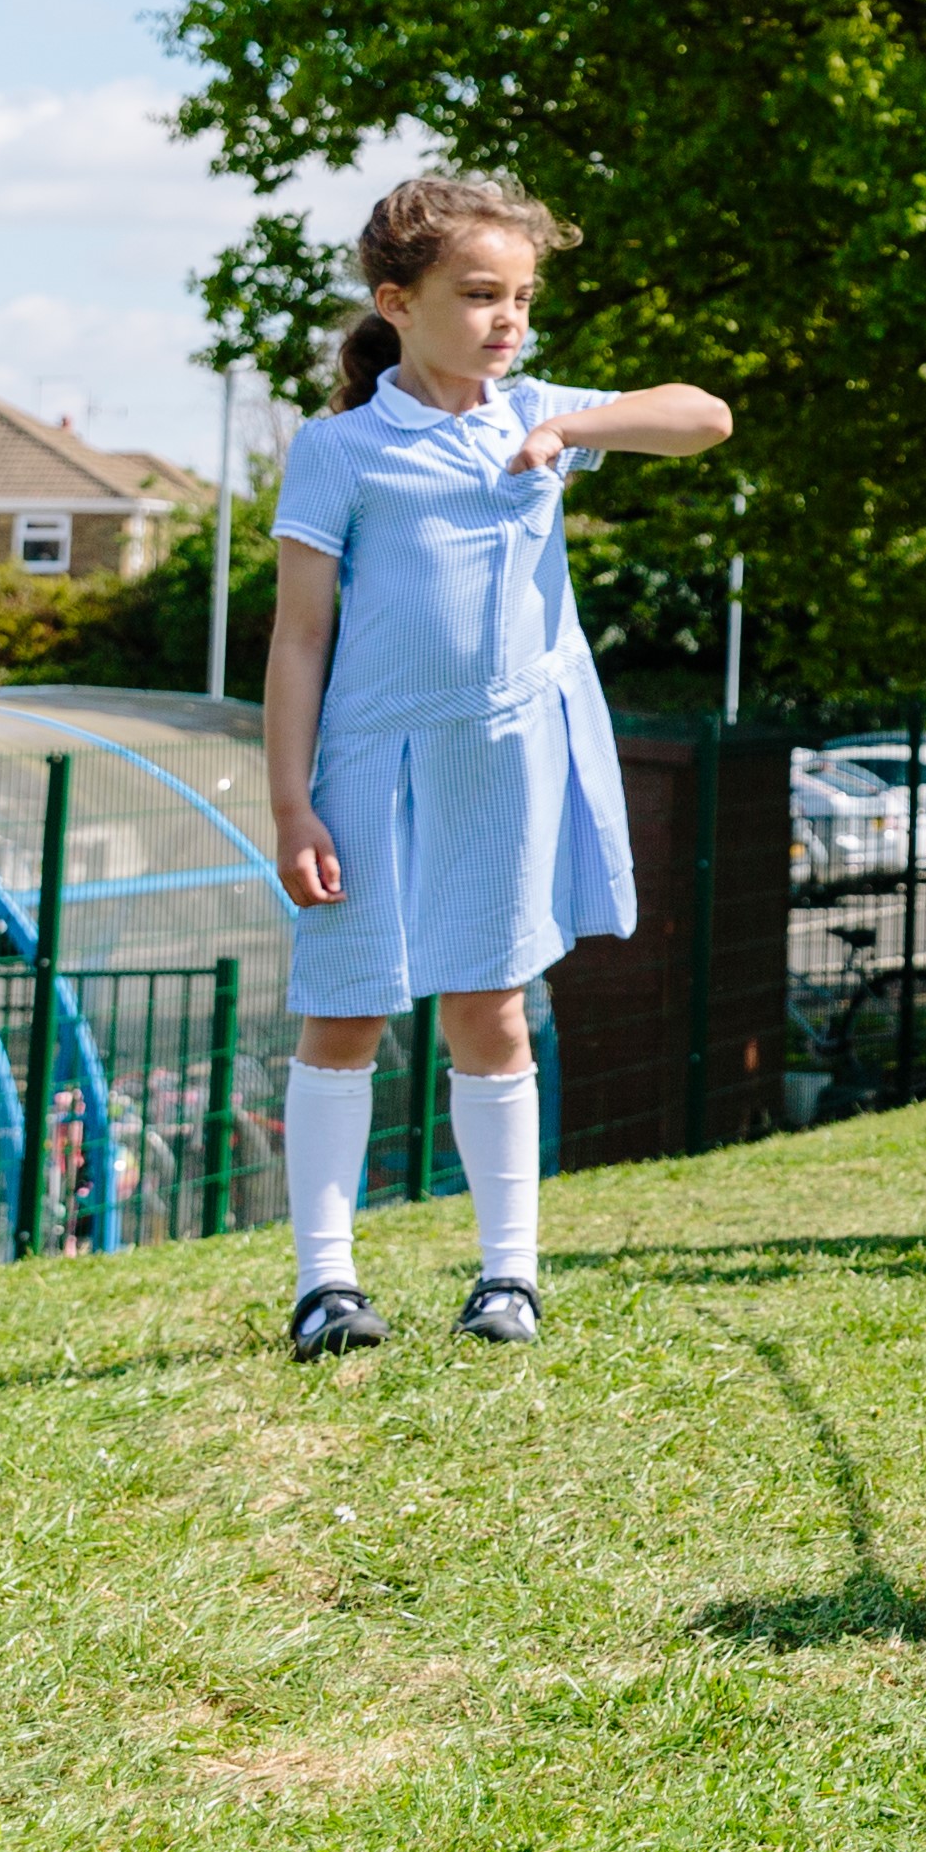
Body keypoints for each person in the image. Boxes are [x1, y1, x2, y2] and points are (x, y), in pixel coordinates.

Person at [262, 173, 731, 1360]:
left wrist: (570, 429)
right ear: (397, 303)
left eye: (521, 295)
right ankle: (327, 1290)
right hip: (366, 770)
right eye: (478, 295)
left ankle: (506, 1280)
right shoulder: (339, 450)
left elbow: (705, 415)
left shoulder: (536, 412)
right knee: (345, 1015)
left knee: (493, 1012)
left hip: (503, 766)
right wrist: (290, 804)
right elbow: (300, 635)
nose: (507, 317)